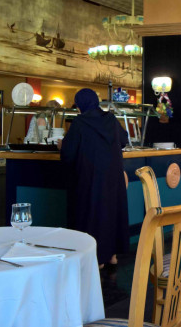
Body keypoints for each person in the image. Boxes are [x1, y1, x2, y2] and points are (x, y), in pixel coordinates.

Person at [60, 88, 129, 268]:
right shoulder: (111, 119)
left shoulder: (80, 122)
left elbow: (68, 153)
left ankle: (97, 259)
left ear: (81, 104)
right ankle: (112, 255)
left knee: (92, 214)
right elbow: (124, 140)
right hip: (113, 177)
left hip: (90, 178)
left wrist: (62, 144)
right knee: (111, 212)